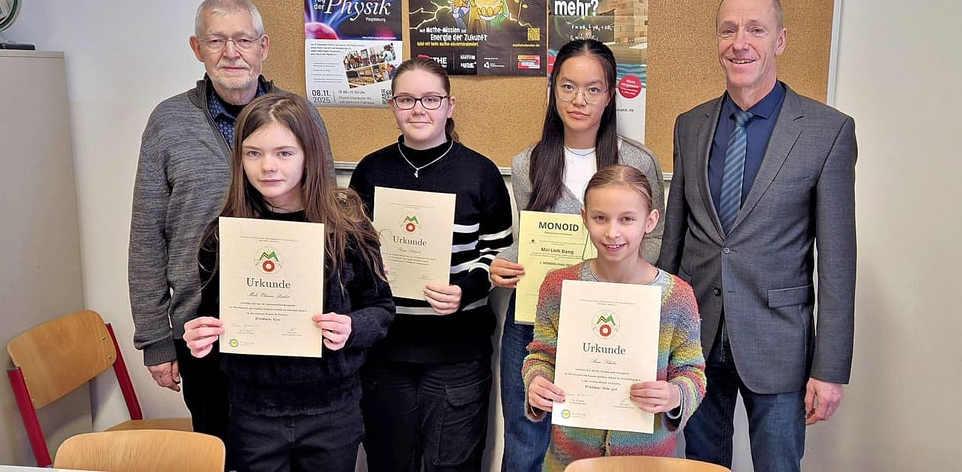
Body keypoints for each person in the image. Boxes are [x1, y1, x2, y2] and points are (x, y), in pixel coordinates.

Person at [657, 0, 857, 472]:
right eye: (728, 30)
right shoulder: (690, 125)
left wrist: (829, 369)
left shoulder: (827, 131)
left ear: (780, 40)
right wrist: (656, 338)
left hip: (779, 346)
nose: (739, 43)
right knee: (702, 466)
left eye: (755, 30)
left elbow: (837, 262)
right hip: (697, 339)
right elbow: (674, 240)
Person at [127, 0, 333, 446]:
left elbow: (327, 218)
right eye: (216, 40)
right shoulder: (168, 122)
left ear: (264, 47)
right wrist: (156, 339)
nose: (231, 52)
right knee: (221, 452)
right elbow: (147, 236)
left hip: (292, 327)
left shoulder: (302, 117)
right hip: (204, 333)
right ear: (197, 48)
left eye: (243, 39)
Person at [182, 92, 394, 472]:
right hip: (253, 413)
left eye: (284, 153)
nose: (268, 167)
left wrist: (352, 327)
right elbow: (213, 316)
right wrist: (201, 337)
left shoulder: (348, 227)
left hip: (332, 411)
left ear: (308, 155)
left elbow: (381, 308)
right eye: (253, 153)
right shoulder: (223, 234)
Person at [489, 39, 665, 472]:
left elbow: (653, 245)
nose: (578, 100)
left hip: (609, 326)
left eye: (592, 89)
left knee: (590, 444)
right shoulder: (528, 163)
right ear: (553, 90)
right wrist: (503, 263)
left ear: (610, 95)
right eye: (567, 87)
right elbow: (528, 237)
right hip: (535, 322)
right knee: (525, 442)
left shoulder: (637, 161)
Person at [349, 57, 514, 472]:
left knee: (452, 466)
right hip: (385, 354)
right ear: (392, 105)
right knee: (389, 465)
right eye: (406, 99)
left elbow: (497, 253)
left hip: (457, 354)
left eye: (431, 99)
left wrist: (465, 291)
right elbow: (354, 252)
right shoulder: (370, 171)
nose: (418, 109)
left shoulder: (480, 173)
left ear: (449, 105)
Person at [523, 165, 705, 471]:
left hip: (649, 462)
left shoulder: (677, 296)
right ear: (584, 218)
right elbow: (541, 355)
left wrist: (675, 394)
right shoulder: (558, 287)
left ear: (650, 221)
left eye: (627, 219)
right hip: (570, 461)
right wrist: (537, 381)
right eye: (600, 218)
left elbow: (693, 372)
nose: (612, 232)